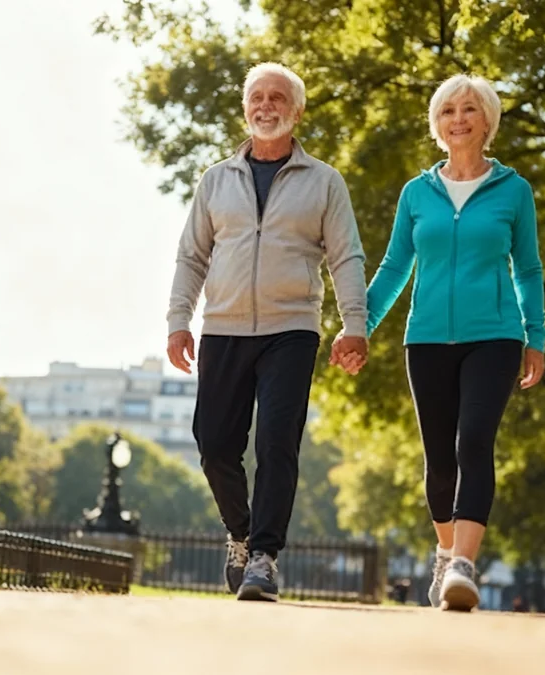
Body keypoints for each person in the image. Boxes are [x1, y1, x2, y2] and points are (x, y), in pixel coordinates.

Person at [334, 73, 545, 611]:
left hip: (495, 337)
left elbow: (527, 269)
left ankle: (463, 566)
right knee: (439, 459)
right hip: (426, 338)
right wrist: (360, 326)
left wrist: (535, 336)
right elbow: (394, 266)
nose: (459, 118)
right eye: (448, 110)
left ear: (487, 121)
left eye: (470, 109)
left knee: (473, 442)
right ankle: (446, 552)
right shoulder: (416, 193)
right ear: (438, 124)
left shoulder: (514, 190)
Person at [166, 62, 369, 602]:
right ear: (245, 108)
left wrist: (355, 325)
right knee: (213, 446)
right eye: (257, 97)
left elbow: (346, 256)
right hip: (224, 327)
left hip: (291, 328)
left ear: (296, 111)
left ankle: (263, 557)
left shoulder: (324, 181)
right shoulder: (216, 180)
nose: (266, 105)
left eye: (278, 97)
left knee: (278, 441)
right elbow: (191, 256)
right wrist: (177, 321)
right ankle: (241, 533)